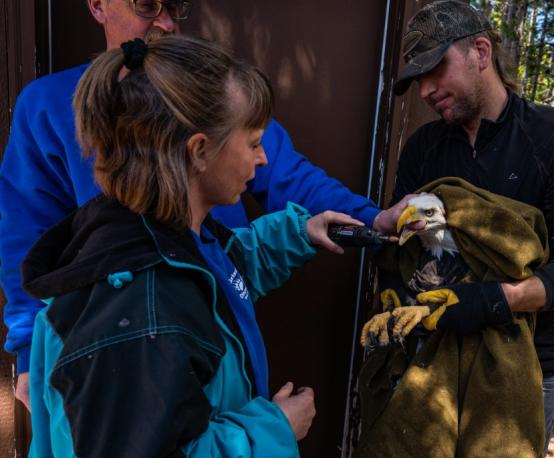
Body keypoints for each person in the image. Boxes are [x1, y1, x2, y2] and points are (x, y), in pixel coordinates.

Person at [0, 0, 407, 411]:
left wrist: (372, 220)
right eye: (146, 6)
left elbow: (285, 181)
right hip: (118, 349)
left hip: (212, 339)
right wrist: (30, 350)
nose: (166, 21)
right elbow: (26, 237)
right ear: (98, 6)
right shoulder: (48, 109)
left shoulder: (211, 97)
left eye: (175, 6)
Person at [18, 34, 358, 458]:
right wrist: (276, 430)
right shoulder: (138, 310)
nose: (262, 159)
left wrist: (297, 233)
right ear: (199, 151)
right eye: (255, 143)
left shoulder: (169, 236)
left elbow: (220, 273)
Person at [389, 0, 554, 451]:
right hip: (432, 358)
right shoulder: (423, 149)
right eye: (418, 81)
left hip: (526, 367)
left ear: (481, 52)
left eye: (436, 69)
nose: (427, 91)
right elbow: (399, 246)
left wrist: (498, 300)